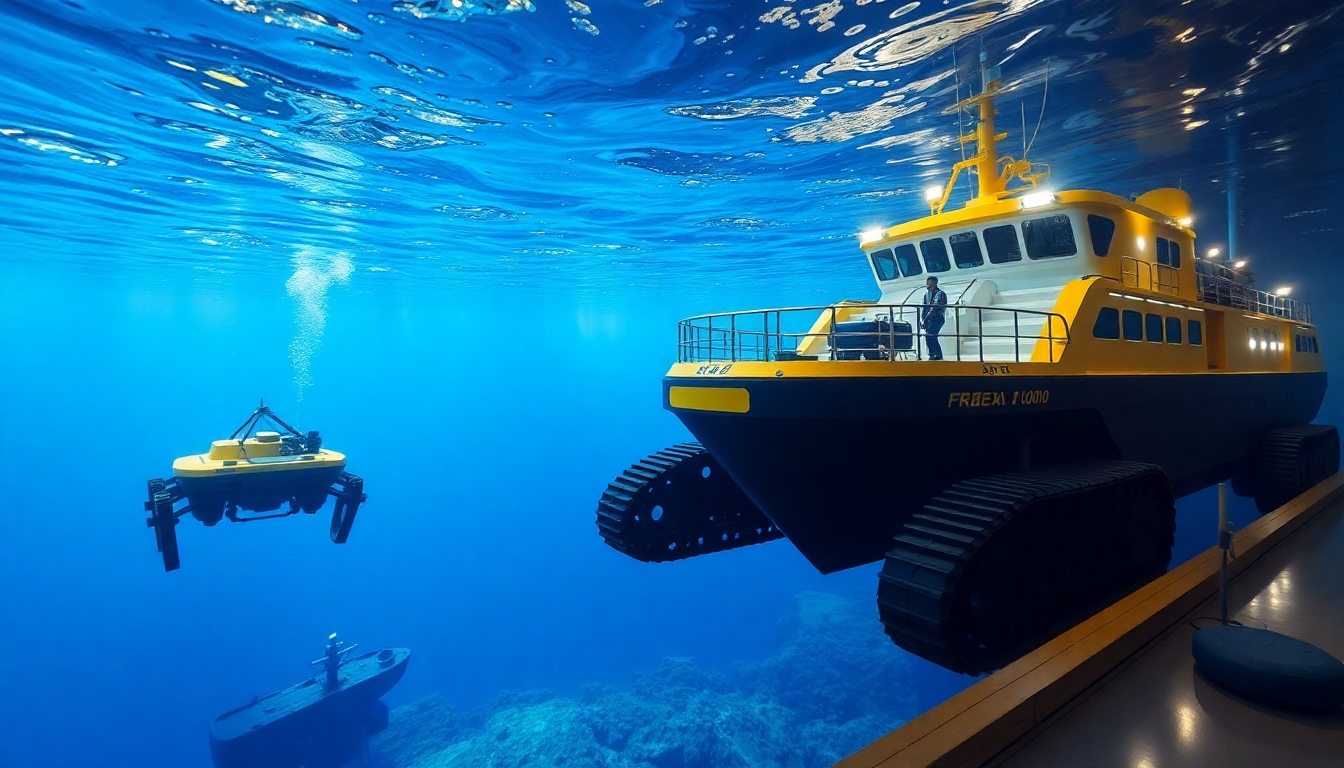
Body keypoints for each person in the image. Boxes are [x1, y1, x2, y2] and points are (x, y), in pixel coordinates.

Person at [922, 276, 947, 360]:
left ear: (935, 283)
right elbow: (925, 307)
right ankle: (934, 353)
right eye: (927, 281)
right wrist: (922, 319)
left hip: (937, 318)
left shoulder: (940, 294)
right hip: (929, 319)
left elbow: (936, 307)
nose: (927, 284)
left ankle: (935, 353)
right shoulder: (927, 294)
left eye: (929, 282)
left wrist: (926, 318)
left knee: (931, 335)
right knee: (929, 336)